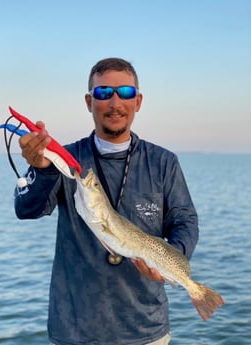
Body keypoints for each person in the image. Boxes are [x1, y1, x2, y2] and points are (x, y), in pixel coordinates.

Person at [15, 57, 199, 345]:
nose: (115, 103)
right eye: (103, 93)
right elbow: (26, 209)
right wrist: (41, 169)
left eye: (124, 93)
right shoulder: (65, 161)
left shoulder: (164, 162)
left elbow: (184, 221)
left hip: (145, 330)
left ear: (137, 101)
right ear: (89, 102)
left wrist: (171, 257)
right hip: (74, 330)